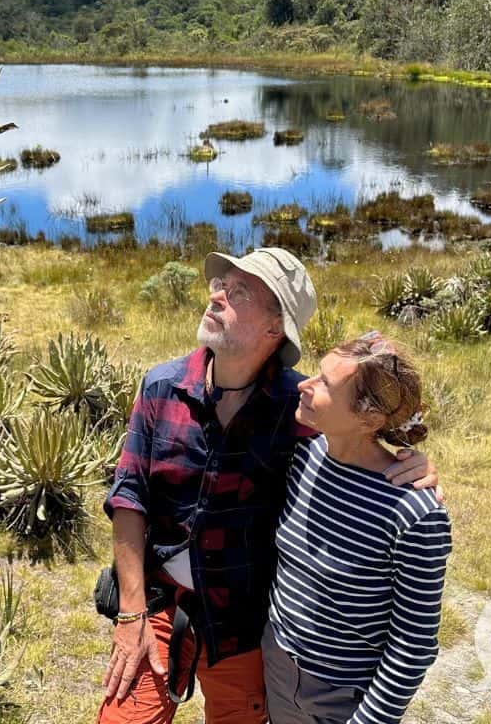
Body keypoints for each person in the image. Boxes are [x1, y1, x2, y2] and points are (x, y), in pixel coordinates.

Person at [97, 248, 442, 724]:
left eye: (239, 292)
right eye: (221, 285)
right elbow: (128, 497)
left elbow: (363, 443)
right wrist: (131, 615)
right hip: (157, 606)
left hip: (244, 626)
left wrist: (412, 471)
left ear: (273, 328)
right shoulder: (161, 387)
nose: (217, 296)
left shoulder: (303, 411)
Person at [262, 332, 452, 724]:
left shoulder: (414, 512)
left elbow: (413, 644)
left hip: (344, 697)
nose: (305, 385)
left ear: (370, 419)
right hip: (277, 669)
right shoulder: (304, 456)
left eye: (325, 385)